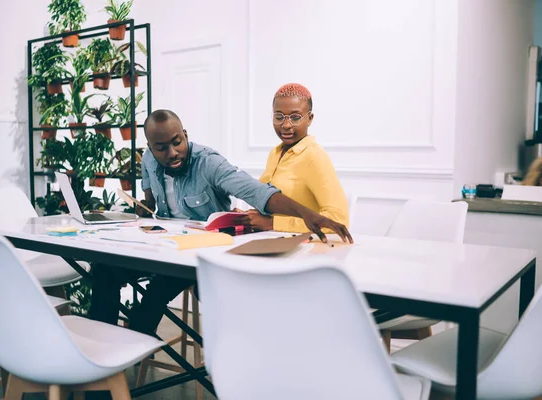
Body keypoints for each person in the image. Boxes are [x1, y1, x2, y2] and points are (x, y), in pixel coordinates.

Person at [89, 109, 353, 337]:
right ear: (150, 148)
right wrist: (141, 216)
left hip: (200, 256)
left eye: (177, 142)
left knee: (157, 288)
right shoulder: (148, 160)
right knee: (104, 269)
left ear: (185, 134)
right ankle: (101, 363)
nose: (172, 152)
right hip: (161, 247)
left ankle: (135, 342)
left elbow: (258, 193)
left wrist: (307, 214)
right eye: (161, 148)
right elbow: (149, 200)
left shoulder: (209, 163)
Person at [235, 83, 348, 232]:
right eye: (279, 116)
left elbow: (338, 219)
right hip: (271, 242)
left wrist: (273, 223)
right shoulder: (275, 153)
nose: (286, 125)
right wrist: (249, 217)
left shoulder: (314, 156)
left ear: (310, 119)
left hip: (305, 249)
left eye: (295, 118)